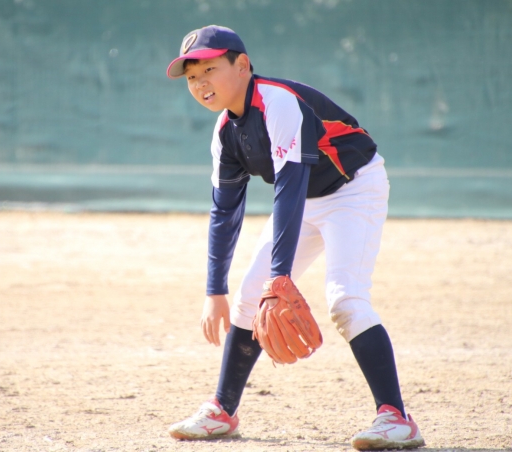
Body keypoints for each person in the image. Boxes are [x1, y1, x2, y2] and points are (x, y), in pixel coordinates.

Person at [164, 25, 425, 451]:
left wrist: (280, 277)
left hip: (353, 188)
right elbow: (225, 211)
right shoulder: (225, 132)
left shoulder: (278, 102)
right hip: (306, 198)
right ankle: (222, 411)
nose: (200, 82)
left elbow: (288, 190)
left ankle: (396, 418)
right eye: (192, 76)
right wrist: (215, 291)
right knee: (250, 296)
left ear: (242, 65)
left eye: (209, 69)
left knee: (345, 298)